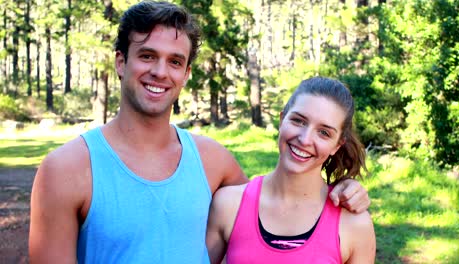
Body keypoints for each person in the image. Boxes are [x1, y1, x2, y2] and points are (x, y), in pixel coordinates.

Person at [29, 1, 370, 263]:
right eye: (147, 56)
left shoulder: (214, 163)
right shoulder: (65, 170)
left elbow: (272, 209)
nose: (160, 72)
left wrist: (343, 189)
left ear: (187, 72)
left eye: (175, 61)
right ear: (121, 62)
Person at [206, 77, 376, 263]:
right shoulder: (228, 204)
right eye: (299, 121)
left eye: (324, 133)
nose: (305, 139)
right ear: (282, 120)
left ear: (337, 146)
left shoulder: (354, 225)